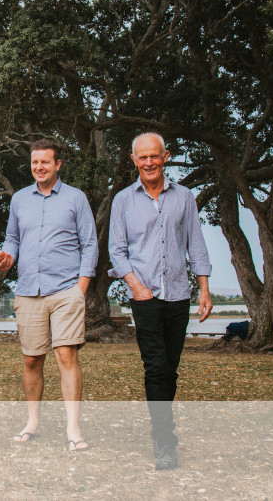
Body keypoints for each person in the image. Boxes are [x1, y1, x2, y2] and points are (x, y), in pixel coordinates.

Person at [108, 132, 212, 470]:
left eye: (155, 156)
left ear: (165, 156)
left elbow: (196, 244)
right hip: (145, 296)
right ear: (134, 160)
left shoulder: (184, 197)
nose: (149, 162)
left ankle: (163, 429)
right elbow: (117, 251)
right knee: (155, 367)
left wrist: (204, 289)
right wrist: (136, 287)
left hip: (178, 294)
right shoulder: (123, 200)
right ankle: (164, 441)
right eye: (143, 157)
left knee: (170, 369)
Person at [0, 138, 97, 450]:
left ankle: (73, 428)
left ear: (57, 164)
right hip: (28, 290)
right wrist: (7, 257)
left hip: (66, 290)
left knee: (66, 355)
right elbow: (12, 238)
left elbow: (89, 243)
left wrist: (81, 288)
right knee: (31, 359)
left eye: (45, 162)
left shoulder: (76, 198)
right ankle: (33, 423)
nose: (39, 167)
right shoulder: (19, 199)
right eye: (35, 162)